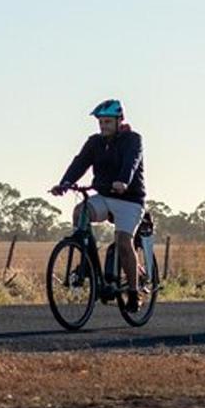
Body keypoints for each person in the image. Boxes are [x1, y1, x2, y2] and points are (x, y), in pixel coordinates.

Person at [50, 99, 146, 311]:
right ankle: (88, 267)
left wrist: (123, 181)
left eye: (107, 122)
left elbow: (132, 161)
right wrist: (65, 183)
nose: (103, 126)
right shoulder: (94, 142)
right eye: (101, 122)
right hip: (104, 195)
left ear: (119, 120)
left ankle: (133, 291)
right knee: (80, 211)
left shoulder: (132, 139)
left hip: (129, 199)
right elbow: (80, 162)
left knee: (123, 242)